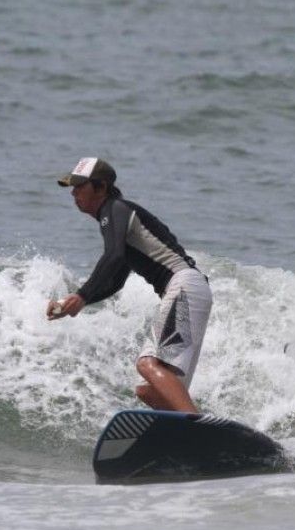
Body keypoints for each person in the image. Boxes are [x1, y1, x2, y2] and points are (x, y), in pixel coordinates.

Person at [46, 157, 213, 414]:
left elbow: (113, 256)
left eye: (80, 186)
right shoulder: (117, 219)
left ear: (100, 187)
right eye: (72, 186)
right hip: (189, 290)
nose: (73, 193)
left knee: (147, 365)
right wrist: (81, 301)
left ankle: (198, 427)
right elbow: (117, 278)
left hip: (184, 286)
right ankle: (194, 431)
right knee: (148, 390)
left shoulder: (115, 209)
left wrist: (81, 295)